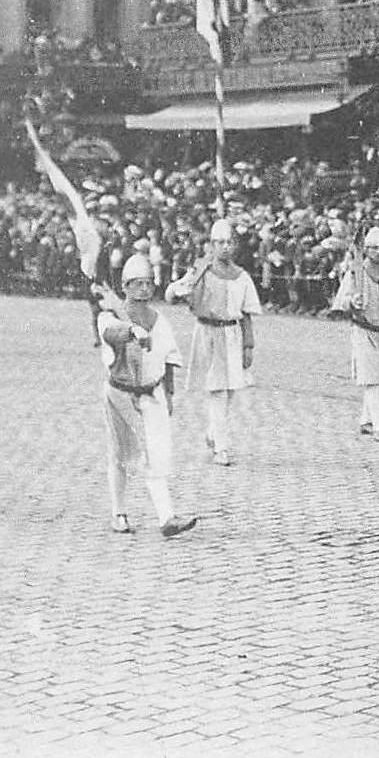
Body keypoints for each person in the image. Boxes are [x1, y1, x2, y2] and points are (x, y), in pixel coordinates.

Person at [95, 254, 197, 538]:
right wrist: (132, 330)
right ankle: (118, 512)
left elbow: (167, 359)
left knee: (156, 453)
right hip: (120, 394)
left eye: (148, 283)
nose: (143, 289)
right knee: (119, 454)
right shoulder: (110, 315)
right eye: (137, 283)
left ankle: (166, 518)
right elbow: (110, 333)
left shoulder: (159, 320)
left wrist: (170, 393)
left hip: (152, 393)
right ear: (125, 287)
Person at [166, 219, 261, 467]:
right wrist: (178, 291)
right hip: (208, 334)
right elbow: (174, 293)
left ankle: (212, 432)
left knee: (229, 390)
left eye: (229, 242)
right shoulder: (201, 271)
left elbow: (246, 314)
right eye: (219, 243)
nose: (225, 247)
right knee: (216, 390)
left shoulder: (242, 277)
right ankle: (222, 446)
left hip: (232, 335)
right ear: (211, 245)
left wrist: (248, 346)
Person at [331, 226, 379, 442]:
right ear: (365, 249)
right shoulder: (356, 275)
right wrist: (352, 301)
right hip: (363, 330)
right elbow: (340, 303)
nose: (377, 252)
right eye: (372, 248)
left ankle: (366, 419)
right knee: (370, 377)